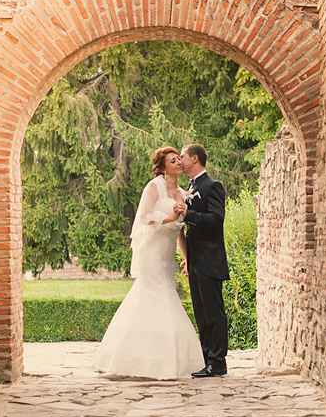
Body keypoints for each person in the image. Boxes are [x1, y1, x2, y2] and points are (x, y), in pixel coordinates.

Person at [95, 147, 204, 379]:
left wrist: (186, 258)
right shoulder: (154, 186)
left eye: (178, 159)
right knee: (152, 294)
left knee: (167, 293)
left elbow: (180, 231)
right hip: (152, 251)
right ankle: (131, 358)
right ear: (163, 167)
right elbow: (144, 219)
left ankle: (168, 358)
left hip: (167, 254)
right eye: (172, 160)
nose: (178, 163)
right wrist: (170, 217)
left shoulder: (184, 193)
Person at [173, 143, 229, 378]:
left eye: (182, 156)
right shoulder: (191, 186)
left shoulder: (212, 185)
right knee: (201, 314)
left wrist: (189, 214)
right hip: (196, 260)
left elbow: (216, 219)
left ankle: (217, 363)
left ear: (194, 159)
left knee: (213, 313)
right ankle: (207, 359)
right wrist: (187, 258)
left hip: (210, 259)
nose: (179, 160)